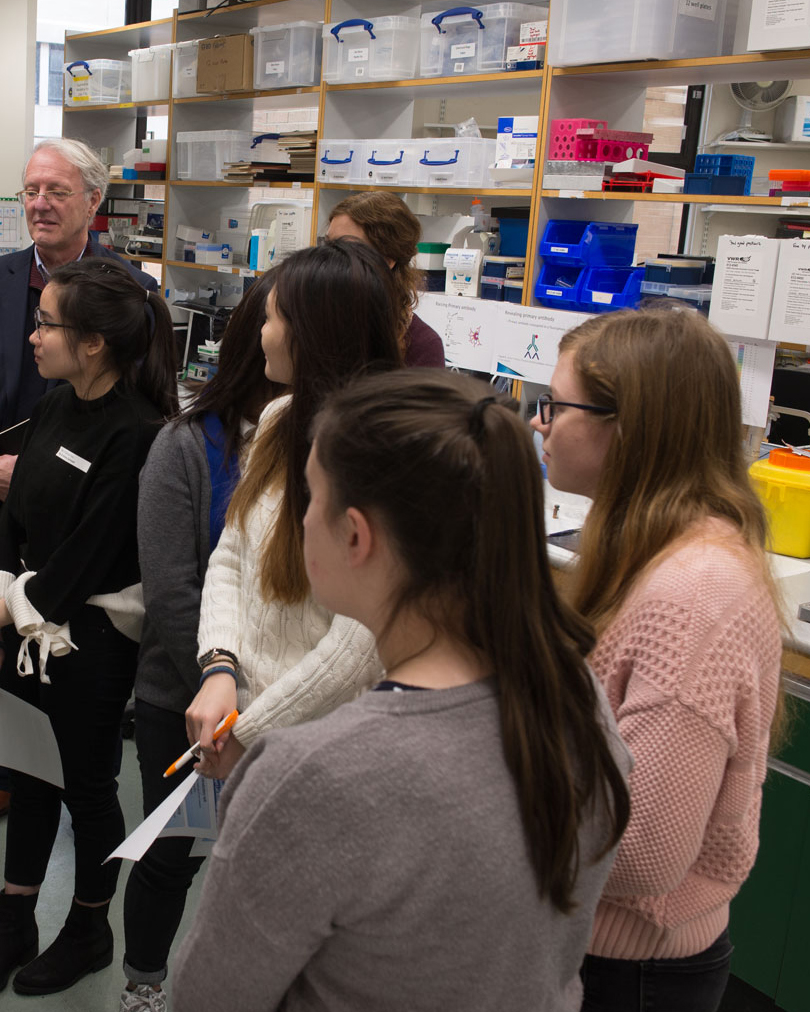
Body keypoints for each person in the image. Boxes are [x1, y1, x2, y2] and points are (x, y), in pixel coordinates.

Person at [173, 370, 632, 1012]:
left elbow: (209, 997)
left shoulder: (313, 776)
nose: (297, 518)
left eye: (308, 496)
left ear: (356, 536)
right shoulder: (576, 696)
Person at [532, 306, 784, 1012]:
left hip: (630, 968)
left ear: (627, 427)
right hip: (594, 943)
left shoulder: (691, 594)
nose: (538, 424)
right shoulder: (650, 549)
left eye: (555, 406)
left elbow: (643, 854)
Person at [0, 258, 177, 1002]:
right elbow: (11, 518)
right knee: (22, 772)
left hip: (89, 643)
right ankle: (14, 923)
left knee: (85, 785)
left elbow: (86, 557)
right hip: (25, 621)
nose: (33, 335)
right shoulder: (53, 407)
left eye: (47, 324)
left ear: (94, 345)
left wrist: (2, 611)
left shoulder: (139, 433)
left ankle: (87, 927)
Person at [0, 138, 159, 839]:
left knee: (73, 701)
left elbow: (149, 402)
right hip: (1, 506)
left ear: (93, 201)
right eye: (31, 189)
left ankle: (65, 787)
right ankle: (2, 781)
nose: (39, 204)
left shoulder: (134, 294)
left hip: (88, 521)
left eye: (57, 191)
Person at [184, 237, 402, 781]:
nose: (260, 331)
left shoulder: (380, 455)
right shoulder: (280, 419)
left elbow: (359, 645)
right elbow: (232, 552)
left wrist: (250, 733)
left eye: (272, 316)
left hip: (321, 747)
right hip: (239, 719)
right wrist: (219, 668)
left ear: (310, 333)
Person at [120, 280, 280, 1011]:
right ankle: (144, 984)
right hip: (186, 698)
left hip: (284, 703)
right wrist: (230, 689)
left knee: (266, 865)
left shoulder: (325, 441)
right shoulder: (187, 445)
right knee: (172, 854)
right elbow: (176, 593)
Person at [325, 191, 444, 367]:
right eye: (329, 244)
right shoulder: (314, 318)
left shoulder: (422, 345)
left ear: (387, 259)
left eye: (345, 247)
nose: (329, 257)